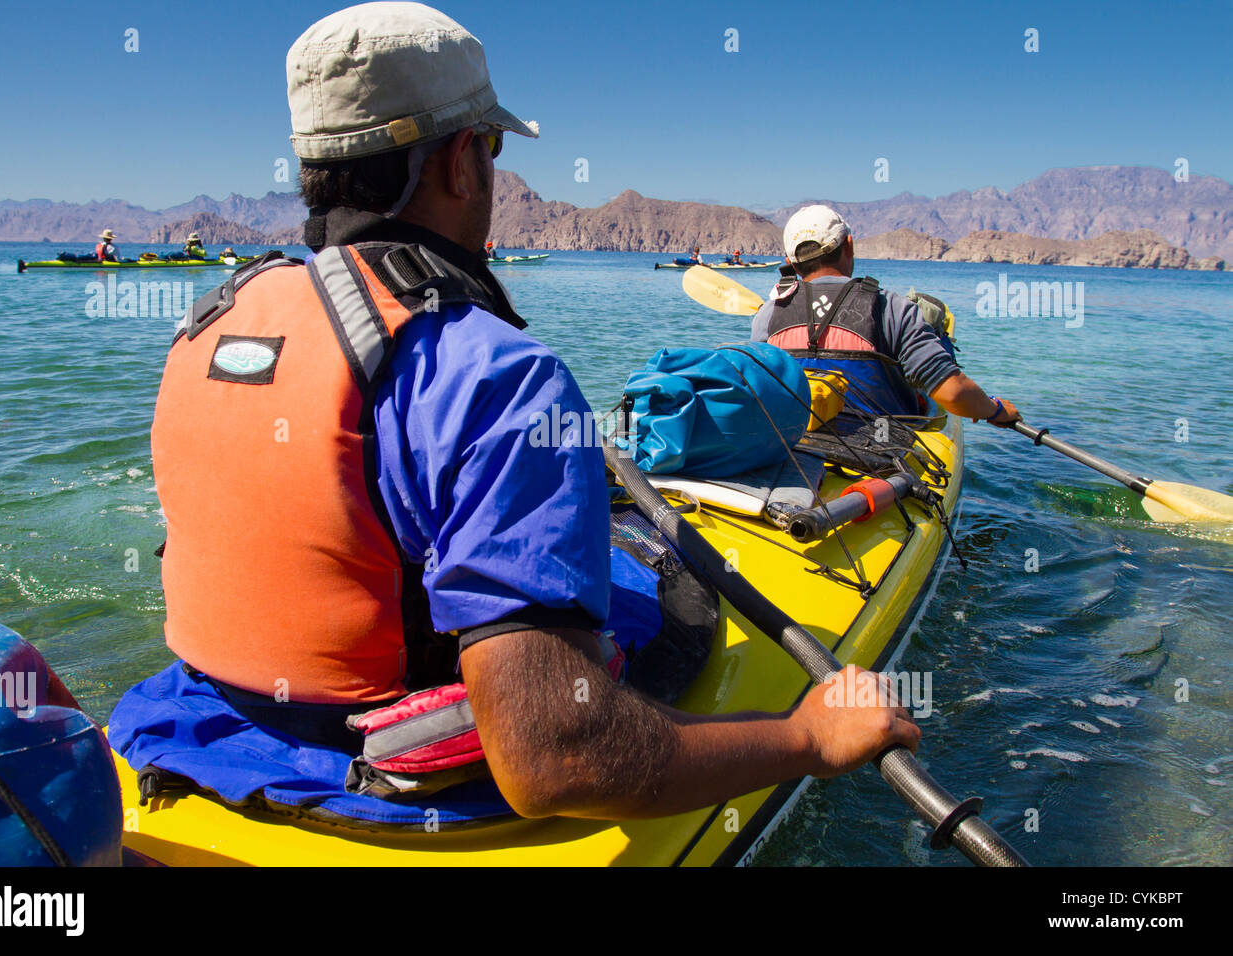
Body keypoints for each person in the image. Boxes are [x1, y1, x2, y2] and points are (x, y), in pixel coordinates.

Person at [146, 2, 916, 821]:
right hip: (396, 759)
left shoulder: (211, 321)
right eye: (491, 146)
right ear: (459, 164)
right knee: (683, 590)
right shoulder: (496, 373)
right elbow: (558, 758)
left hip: (220, 726)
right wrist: (809, 739)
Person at [752, 205, 1022, 424]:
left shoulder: (768, 314)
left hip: (794, 449)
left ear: (790, 263)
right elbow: (952, 392)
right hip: (881, 458)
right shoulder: (891, 308)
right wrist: (995, 409)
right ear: (849, 245)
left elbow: (760, 392)